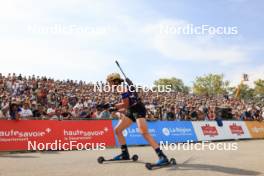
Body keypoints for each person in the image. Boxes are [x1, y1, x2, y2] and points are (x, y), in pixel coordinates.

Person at [106, 73, 169, 165]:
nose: (109, 84)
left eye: (110, 82)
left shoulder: (120, 87)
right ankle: (125, 154)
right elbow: (129, 104)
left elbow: (126, 104)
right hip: (132, 110)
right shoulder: (125, 86)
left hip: (138, 109)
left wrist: (113, 107)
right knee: (118, 130)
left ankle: (162, 156)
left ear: (115, 81)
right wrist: (114, 107)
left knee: (144, 133)